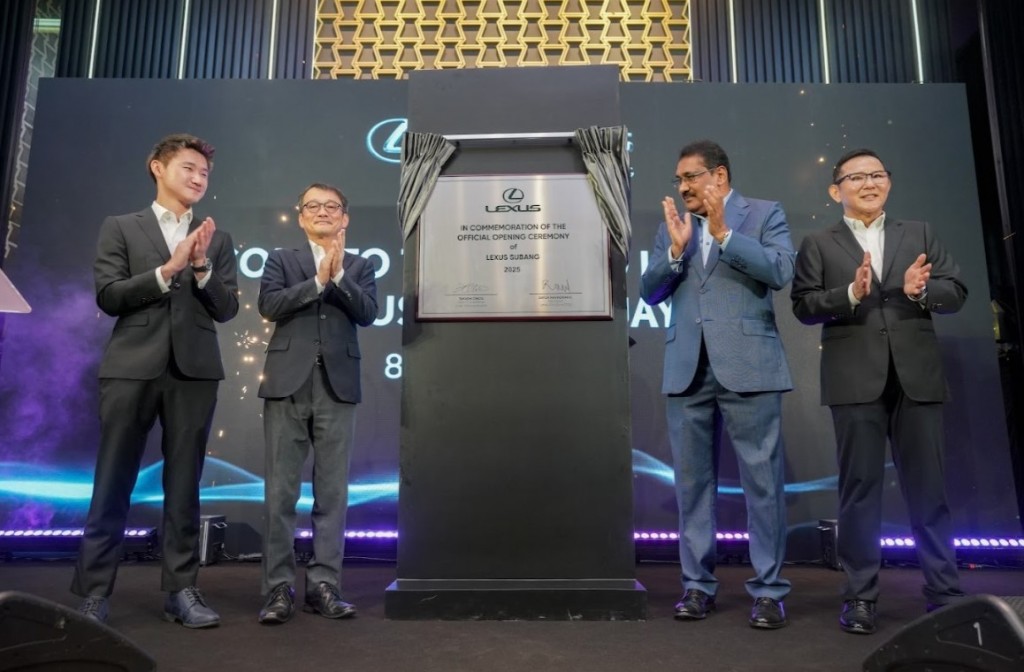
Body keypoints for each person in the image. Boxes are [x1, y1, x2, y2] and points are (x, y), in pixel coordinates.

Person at [791, 148, 967, 635]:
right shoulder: (818, 242)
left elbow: (955, 292)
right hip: (854, 381)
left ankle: (944, 593)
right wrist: (849, 294)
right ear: (835, 190)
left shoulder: (920, 233)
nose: (869, 183)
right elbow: (803, 306)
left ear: (888, 182)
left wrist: (918, 292)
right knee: (860, 492)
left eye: (877, 175)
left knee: (929, 492)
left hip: (917, 377)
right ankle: (861, 597)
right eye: (856, 177)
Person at [73, 133, 239, 627]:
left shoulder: (218, 238)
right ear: (157, 168)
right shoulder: (121, 227)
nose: (197, 178)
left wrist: (203, 266)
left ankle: (181, 590)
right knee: (112, 481)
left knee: (184, 484)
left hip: (194, 372)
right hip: (130, 367)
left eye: (204, 173)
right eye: (188, 168)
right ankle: (94, 592)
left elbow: (227, 309)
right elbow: (109, 295)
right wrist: (167, 270)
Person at [640, 140, 794, 629]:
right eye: (678, 180)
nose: (682, 187)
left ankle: (768, 591)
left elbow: (779, 271)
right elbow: (650, 290)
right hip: (687, 370)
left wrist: (726, 235)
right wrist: (674, 252)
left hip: (749, 365)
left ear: (720, 177)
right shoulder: (673, 227)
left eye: (691, 177)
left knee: (763, 484)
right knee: (692, 485)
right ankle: (696, 587)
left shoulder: (765, 214)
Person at [256, 183, 378, 625]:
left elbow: (368, 313)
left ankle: (325, 585)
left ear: (344, 218)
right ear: (300, 215)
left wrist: (340, 276)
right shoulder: (281, 260)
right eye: (313, 206)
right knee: (280, 493)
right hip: (287, 384)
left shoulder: (361, 265)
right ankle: (278, 589)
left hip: (338, 386)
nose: (323, 212)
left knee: (332, 495)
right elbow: (269, 303)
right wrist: (317, 282)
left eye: (332, 207)